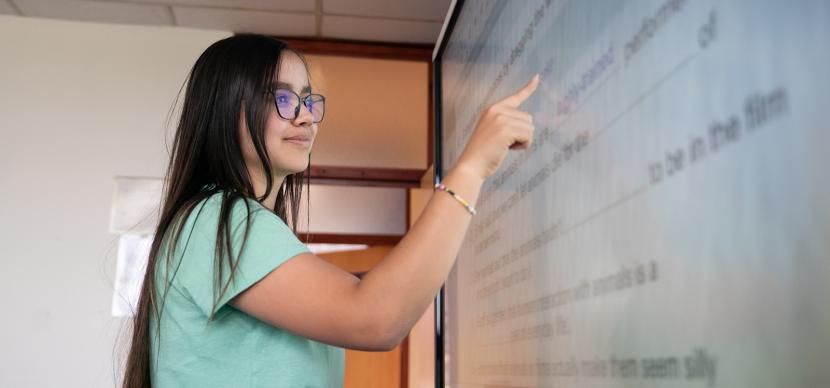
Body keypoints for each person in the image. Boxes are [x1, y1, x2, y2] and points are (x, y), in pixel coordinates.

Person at [121, 34, 538, 388]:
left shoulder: (230, 221)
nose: (305, 117)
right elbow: (375, 317)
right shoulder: (220, 219)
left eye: (307, 99)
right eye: (282, 98)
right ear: (228, 109)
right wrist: (471, 169)